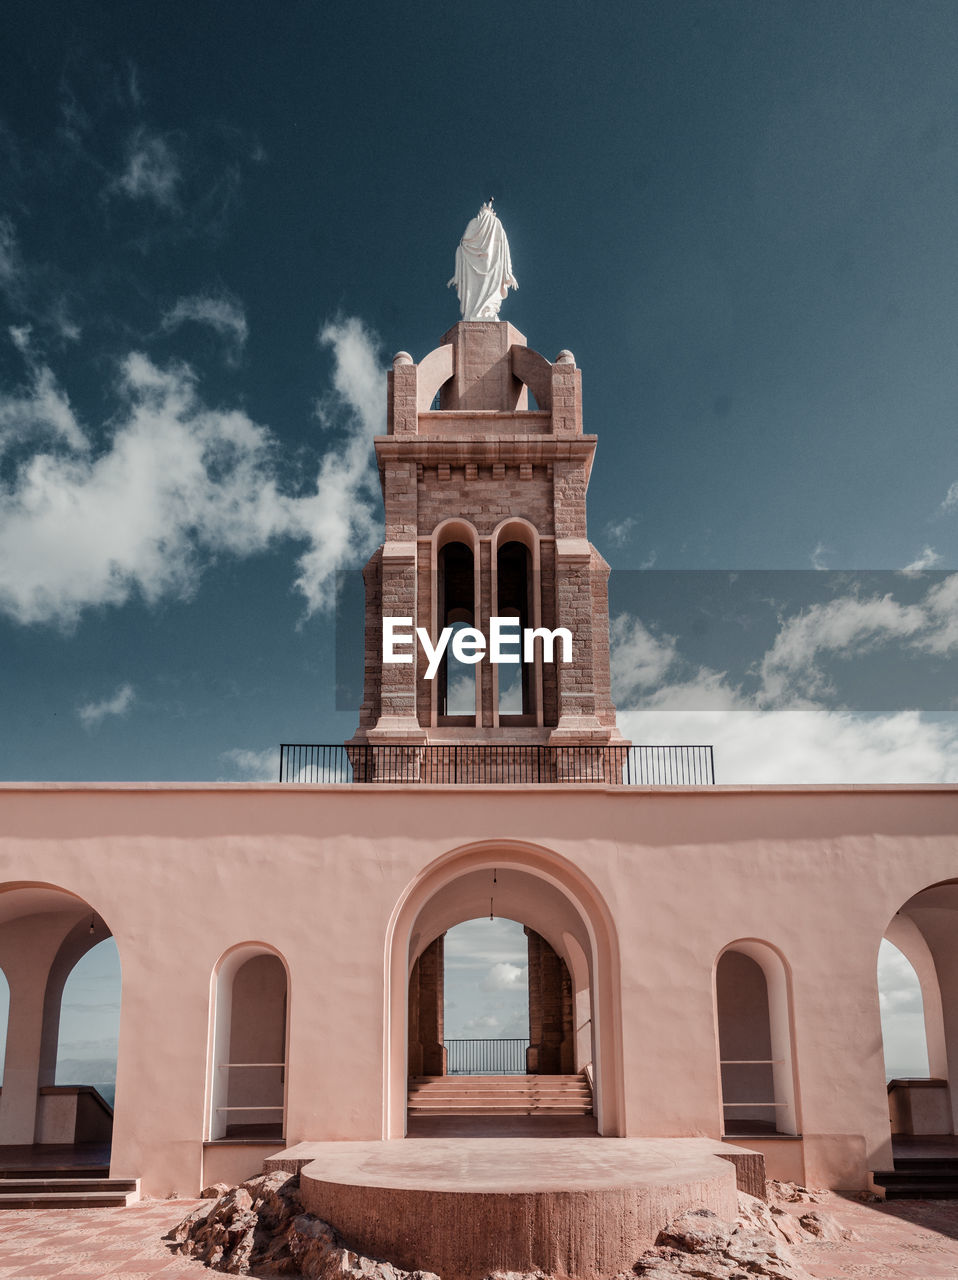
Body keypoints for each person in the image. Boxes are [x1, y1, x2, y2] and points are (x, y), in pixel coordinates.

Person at [448, 201, 518, 321]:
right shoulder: (494, 223)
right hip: (488, 264)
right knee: (479, 293)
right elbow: (504, 249)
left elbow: (463, 245)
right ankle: (481, 312)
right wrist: (508, 271)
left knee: (485, 294)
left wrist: (508, 272)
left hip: (488, 263)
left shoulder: (478, 223)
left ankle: (485, 312)